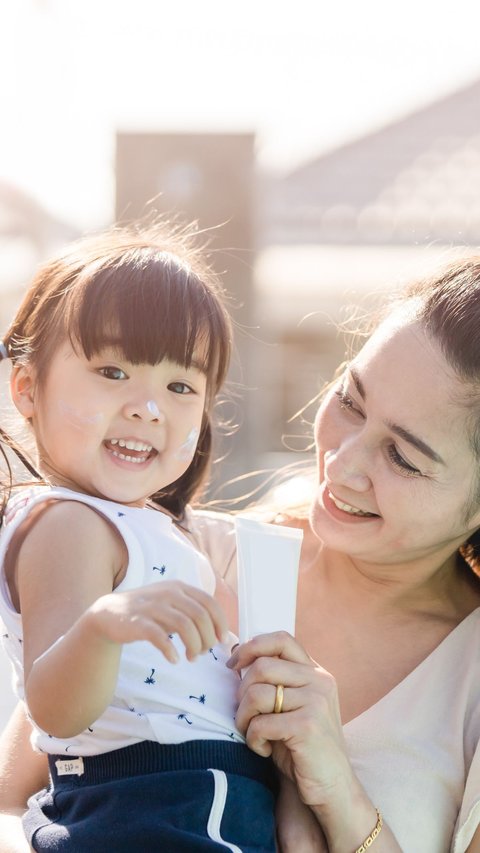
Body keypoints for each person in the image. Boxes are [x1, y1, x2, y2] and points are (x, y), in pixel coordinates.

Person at [2, 253, 480, 851]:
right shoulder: (172, 556)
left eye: (403, 458)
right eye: (351, 402)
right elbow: (20, 797)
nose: (343, 462)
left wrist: (337, 794)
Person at [0, 224, 282, 852]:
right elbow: (56, 708)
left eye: (181, 386)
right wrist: (104, 624)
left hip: (189, 796)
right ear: (26, 387)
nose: (149, 408)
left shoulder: (150, 526)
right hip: (150, 800)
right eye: (112, 370)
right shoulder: (69, 523)